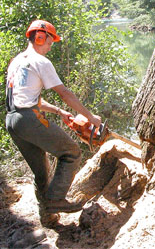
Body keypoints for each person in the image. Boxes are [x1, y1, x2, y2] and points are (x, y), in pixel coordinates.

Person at [5, 20, 102, 227]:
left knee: (41, 172)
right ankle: (56, 200)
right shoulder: (40, 61)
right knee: (71, 152)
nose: (51, 45)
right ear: (41, 37)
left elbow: (30, 98)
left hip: (13, 121)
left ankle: (47, 216)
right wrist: (90, 116)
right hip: (29, 119)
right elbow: (65, 93)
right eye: (51, 40)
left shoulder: (17, 61)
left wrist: (58, 111)